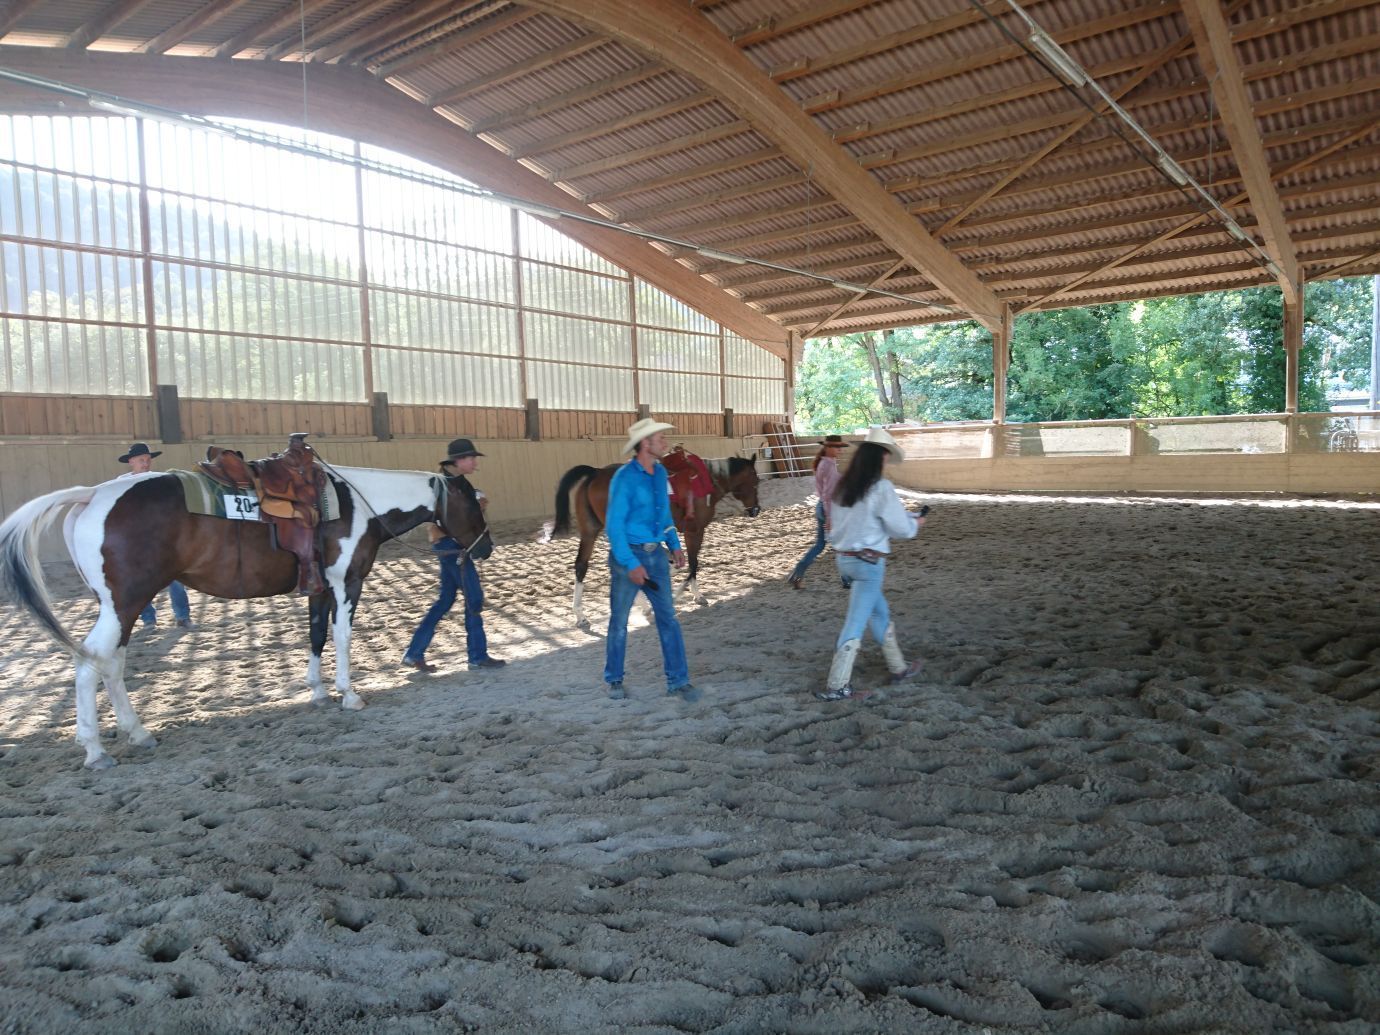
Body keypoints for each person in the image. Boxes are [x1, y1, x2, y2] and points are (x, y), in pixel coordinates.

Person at [818, 427, 926, 701]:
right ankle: (837, 685)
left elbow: (849, 524)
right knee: (855, 623)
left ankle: (899, 667)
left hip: (845, 560)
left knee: (879, 612)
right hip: (868, 565)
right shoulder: (881, 488)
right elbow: (900, 528)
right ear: (881, 457)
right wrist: (915, 523)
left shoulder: (843, 487)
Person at [603, 417, 700, 703]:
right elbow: (614, 526)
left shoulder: (659, 474)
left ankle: (678, 681)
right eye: (660, 438)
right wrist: (630, 563)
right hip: (628, 556)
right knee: (619, 621)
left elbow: (664, 516)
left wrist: (674, 545)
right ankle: (614, 680)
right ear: (645, 444)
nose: (665, 443)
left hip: (656, 555)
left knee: (668, 618)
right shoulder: (624, 478)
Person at [401, 438, 506, 673]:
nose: (475, 464)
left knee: (446, 600)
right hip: (453, 545)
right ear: (459, 460)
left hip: (445, 545)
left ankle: (414, 653)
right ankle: (477, 656)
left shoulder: (450, 482)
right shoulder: (448, 485)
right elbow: (455, 518)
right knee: (474, 598)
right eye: (472, 459)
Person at [118, 442, 192, 629]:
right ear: (131, 462)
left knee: (174, 578)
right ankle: (148, 619)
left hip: (160, 537)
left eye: (148, 460)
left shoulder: (158, 480)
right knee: (140, 581)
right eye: (141, 460)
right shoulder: (121, 483)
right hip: (136, 539)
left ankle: (182, 616)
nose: (146, 463)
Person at [787, 434, 849, 589]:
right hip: (830, 509)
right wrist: (829, 517)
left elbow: (826, 489)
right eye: (836, 447)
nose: (839, 450)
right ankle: (847, 579)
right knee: (840, 545)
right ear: (828, 447)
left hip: (822, 507)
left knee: (820, 545)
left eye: (840, 447)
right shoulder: (828, 465)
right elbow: (828, 494)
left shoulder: (825, 463)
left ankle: (797, 574)